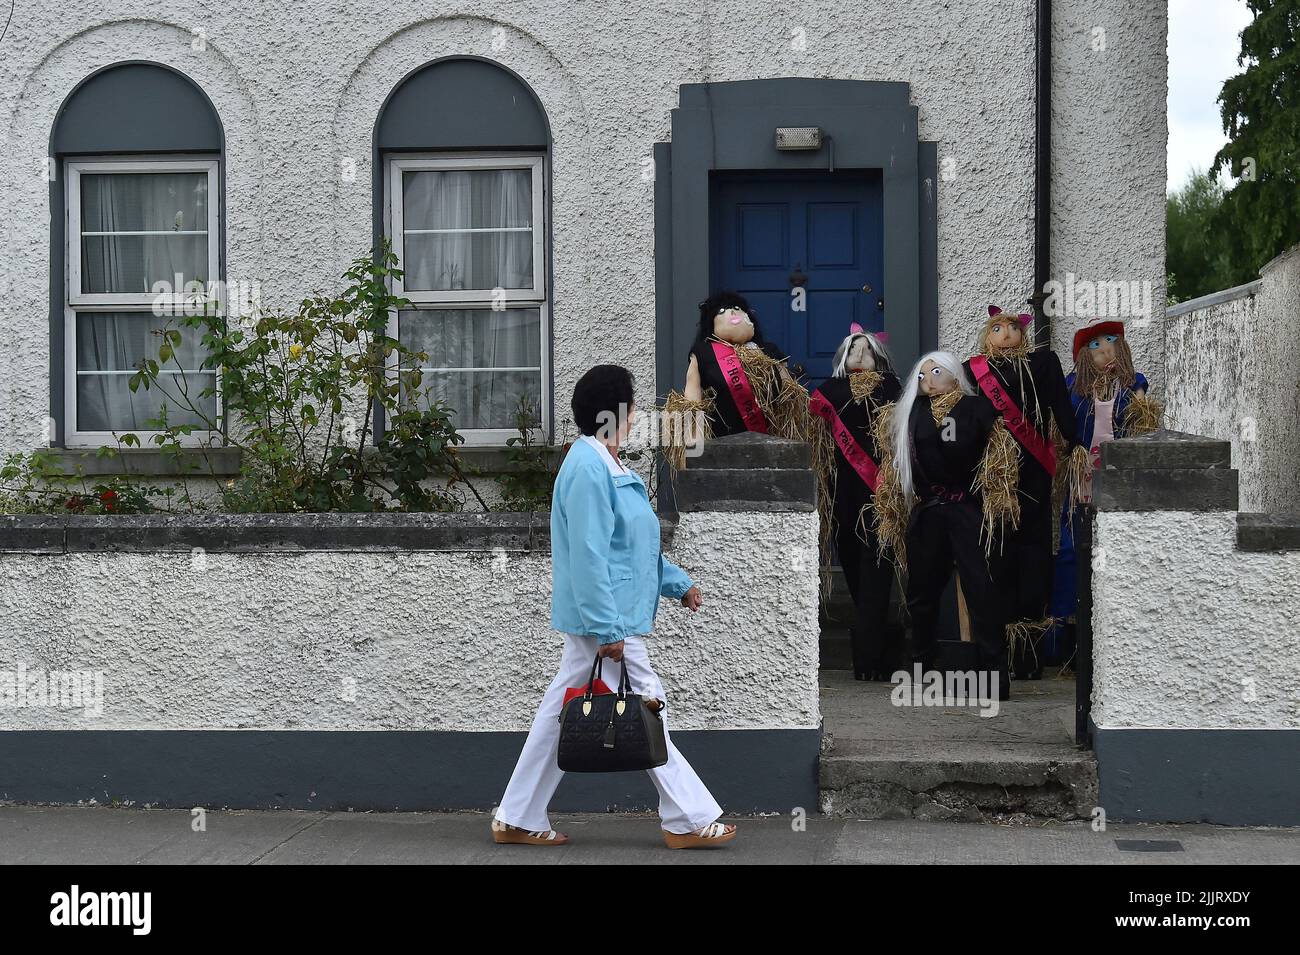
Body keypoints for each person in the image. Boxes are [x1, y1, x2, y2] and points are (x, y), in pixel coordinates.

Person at [491, 364, 737, 849]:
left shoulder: (610, 465)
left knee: (557, 714)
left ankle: (516, 815)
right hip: (606, 618)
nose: (636, 415)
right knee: (649, 705)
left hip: (609, 616)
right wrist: (608, 629)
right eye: (630, 406)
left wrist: (677, 583)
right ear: (613, 414)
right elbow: (588, 556)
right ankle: (687, 820)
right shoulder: (588, 469)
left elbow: (634, 544)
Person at [882, 351, 1016, 702]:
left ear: (955, 376)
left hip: (966, 511)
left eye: (936, 371)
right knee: (922, 592)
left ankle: (993, 674)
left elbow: (997, 459)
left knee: (981, 590)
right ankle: (922, 665)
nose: (928, 378)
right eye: (923, 373)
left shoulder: (977, 408)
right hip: (928, 511)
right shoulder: (911, 414)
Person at [962, 306, 1077, 679]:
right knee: (996, 553)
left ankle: (1029, 652)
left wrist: (1075, 443)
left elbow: (1060, 406)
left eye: (1014, 327)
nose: (1007, 333)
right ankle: (997, 653)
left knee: (1034, 552)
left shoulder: (1041, 364)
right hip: (992, 480)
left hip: (1034, 475)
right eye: (998, 327)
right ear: (986, 335)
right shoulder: (971, 370)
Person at [809, 325, 903, 680]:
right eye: (853, 349)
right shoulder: (829, 391)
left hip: (881, 496)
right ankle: (871, 650)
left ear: (878, 355)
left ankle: (869, 659)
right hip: (842, 494)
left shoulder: (892, 388)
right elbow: (813, 434)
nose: (859, 355)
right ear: (843, 357)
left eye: (866, 349)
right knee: (852, 566)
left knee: (878, 570)